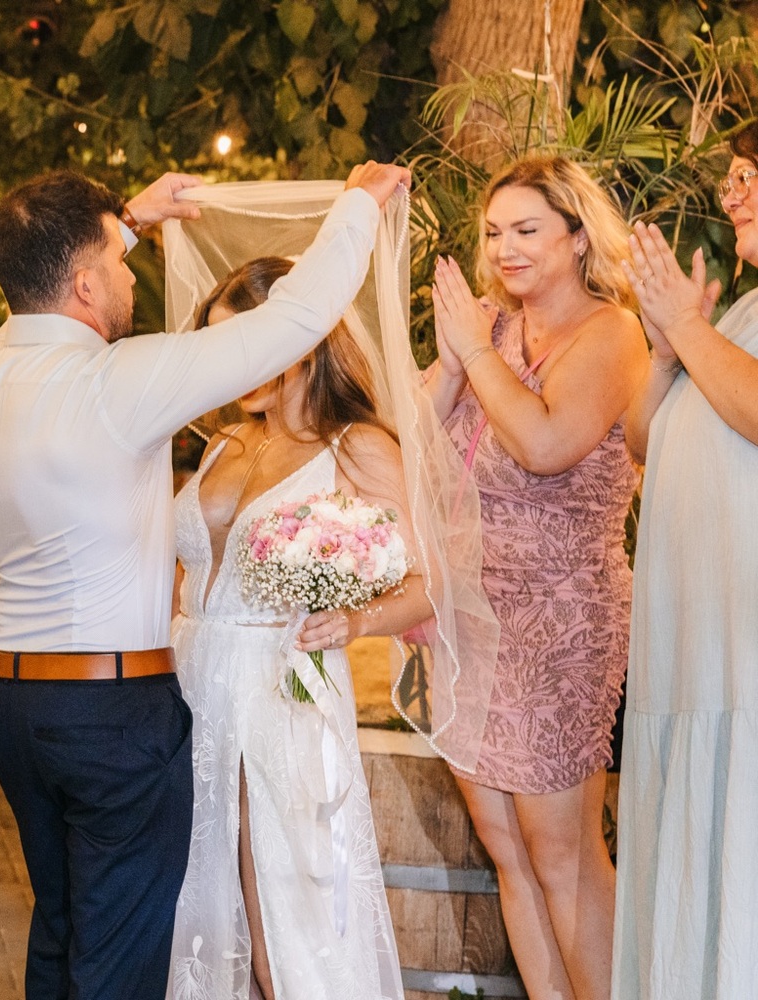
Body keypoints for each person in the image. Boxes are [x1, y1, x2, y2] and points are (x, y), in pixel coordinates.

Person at [0, 160, 411, 1000]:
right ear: (86, 285)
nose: (131, 273)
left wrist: (128, 220)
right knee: (119, 956)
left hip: (10, 703)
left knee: (61, 931)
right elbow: (296, 316)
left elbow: (61, 273)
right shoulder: (119, 382)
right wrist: (355, 207)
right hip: (110, 713)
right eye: (121, 264)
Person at [167, 255, 433, 1000]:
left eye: (245, 340)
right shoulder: (223, 443)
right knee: (202, 899)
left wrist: (352, 621)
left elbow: (430, 584)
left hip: (277, 694)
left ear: (301, 336)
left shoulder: (354, 447)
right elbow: (185, 577)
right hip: (190, 689)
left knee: (280, 906)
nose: (232, 364)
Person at [422, 154, 649, 1000]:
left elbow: (546, 445)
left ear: (578, 238)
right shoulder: (494, 330)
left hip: (565, 619)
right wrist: (453, 361)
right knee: (506, 845)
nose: (505, 249)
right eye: (492, 233)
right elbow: (415, 444)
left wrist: (474, 355)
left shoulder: (612, 333)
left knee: (562, 853)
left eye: (527, 230)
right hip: (476, 617)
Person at [611, 122, 758, 1000]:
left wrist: (683, 326)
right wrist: (667, 350)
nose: (732, 193)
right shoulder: (736, 314)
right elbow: (640, 438)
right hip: (689, 655)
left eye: (750, 174)